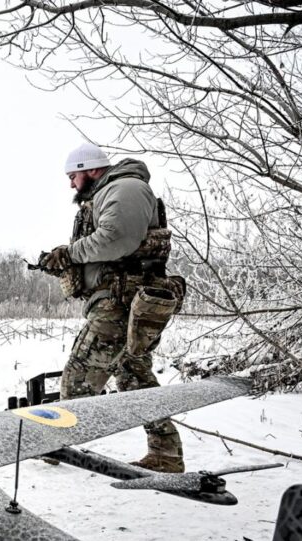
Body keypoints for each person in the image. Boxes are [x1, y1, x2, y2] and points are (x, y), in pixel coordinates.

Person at [40, 143, 185, 473]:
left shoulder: (126, 187)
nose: (71, 184)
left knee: (79, 374)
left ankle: (52, 444)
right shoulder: (111, 192)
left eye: (73, 176)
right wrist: (65, 262)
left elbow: (116, 239)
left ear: (90, 169)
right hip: (121, 302)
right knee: (134, 376)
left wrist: (70, 253)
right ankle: (165, 453)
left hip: (119, 304)